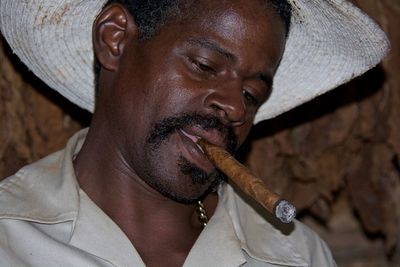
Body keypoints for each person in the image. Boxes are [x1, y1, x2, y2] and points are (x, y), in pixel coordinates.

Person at [0, 0, 389, 266]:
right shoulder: (9, 238)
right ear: (113, 39)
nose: (236, 108)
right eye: (205, 66)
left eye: (253, 93)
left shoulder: (295, 255)